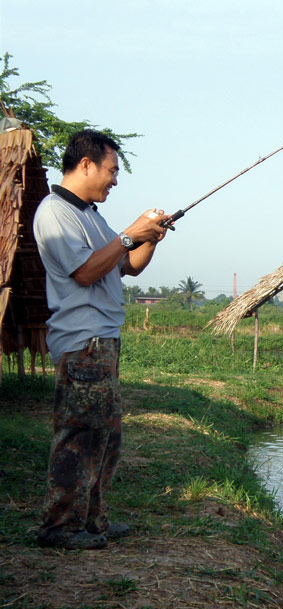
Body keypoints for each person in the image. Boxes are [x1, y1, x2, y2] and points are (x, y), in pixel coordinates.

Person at [33, 129, 170, 550]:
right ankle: (60, 528)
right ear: (87, 163)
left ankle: (93, 521)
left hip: (104, 342)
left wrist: (150, 239)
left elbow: (126, 266)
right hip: (83, 342)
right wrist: (130, 233)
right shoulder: (55, 212)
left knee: (106, 437)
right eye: (112, 171)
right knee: (79, 436)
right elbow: (86, 272)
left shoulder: (91, 215)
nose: (115, 180)